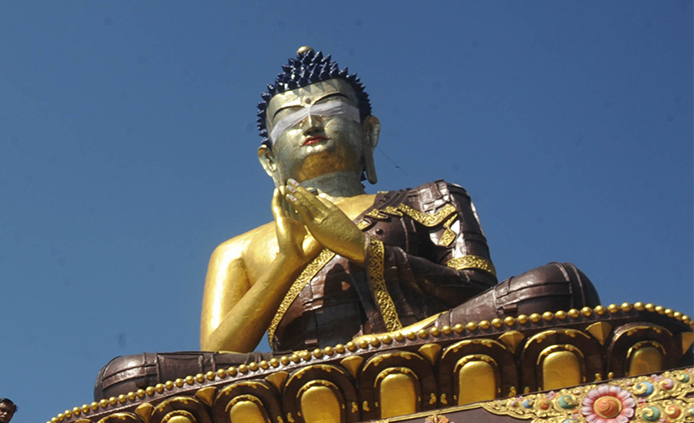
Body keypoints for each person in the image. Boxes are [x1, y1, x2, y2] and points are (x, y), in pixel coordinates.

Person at [96, 48, 601, 399]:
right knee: (131, 376)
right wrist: (289, 261)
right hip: (291, 375)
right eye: (291, 119)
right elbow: (219, 353)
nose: (311, 124)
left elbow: (477, 293)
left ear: (368, 133)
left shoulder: (432, 197)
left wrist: (361, 247)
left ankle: (374, 358)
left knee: (555, 288)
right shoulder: (238, 249)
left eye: (328, 109)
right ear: (270, 160)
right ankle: (351, 371)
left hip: (427, 344)